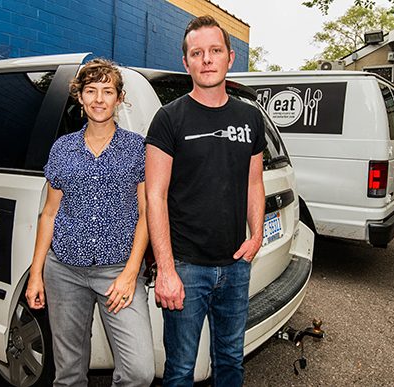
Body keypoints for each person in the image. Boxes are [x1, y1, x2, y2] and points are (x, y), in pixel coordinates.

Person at [144, 15, 267, 387]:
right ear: (186, 63)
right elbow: (155, 195)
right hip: (185, 268)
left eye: (215, 51)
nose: (207, 59)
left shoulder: (249, 117)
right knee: (180, 369)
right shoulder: (168, 119)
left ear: (230, 57)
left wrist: (256, 235)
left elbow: (254, 182)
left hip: (235, 265)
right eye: (197, 53)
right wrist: (166, 269)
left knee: (230, 362)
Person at [25, 58, 155, 387]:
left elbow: (147, 213)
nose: (99, 98)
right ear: (80, 97)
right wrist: (35, 275)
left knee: (140, 372)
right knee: (68, 374)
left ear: (119, 97)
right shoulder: (63, 148)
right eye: (91, 90)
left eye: (107, 91)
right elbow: (49, 214)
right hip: (64, 270)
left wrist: (129, 274)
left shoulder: (137, 148)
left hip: (117, 272)